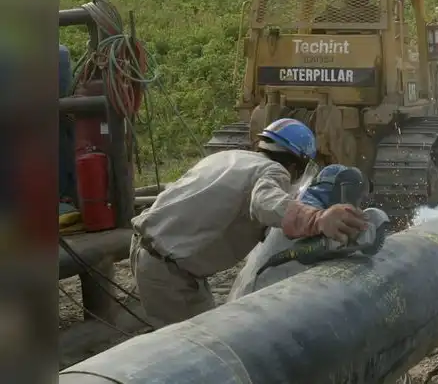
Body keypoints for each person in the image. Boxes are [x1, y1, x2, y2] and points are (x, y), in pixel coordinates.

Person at [129, 118, 368, 327]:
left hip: (154, 252)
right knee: (199, 352)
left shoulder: (228, 158)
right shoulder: (274, 171)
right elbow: (265, 202)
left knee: (209, 327)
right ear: (295, 165)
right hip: (169, 271)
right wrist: (316, 218)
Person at [228, 164, 369, 301]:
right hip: (263, 303)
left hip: (242, 300)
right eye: (358, 200)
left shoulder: (293, 210)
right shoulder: (317, 221)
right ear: (343, 191)